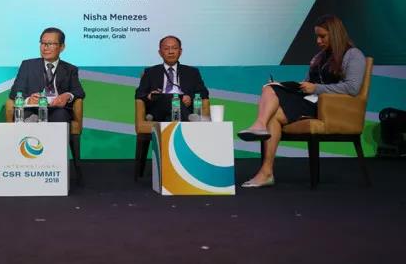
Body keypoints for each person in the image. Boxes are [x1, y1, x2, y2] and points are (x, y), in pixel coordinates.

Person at [237, 15, 366, 187]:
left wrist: (317, 88)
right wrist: (293, 86)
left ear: (335, 34)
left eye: (322, 36)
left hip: (329, 108)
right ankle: (266, 172)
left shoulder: (353, 55)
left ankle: (259, 126)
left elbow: (352, 88)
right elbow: (308, 84)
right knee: (271, 95)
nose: (318, 41)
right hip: (310, 101)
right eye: (317, 37)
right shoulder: (320, 57)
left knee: (270, 93)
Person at [9, 27, 85, 122]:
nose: (45, 48)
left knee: (61, 115)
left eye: (50, 44)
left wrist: (67, 95)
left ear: (62, 47)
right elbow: (15, 91)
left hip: (57, 110)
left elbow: (79, 92)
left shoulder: (70, 69)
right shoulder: (27, 65)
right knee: (27, 117)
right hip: (33, 109)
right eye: (43, 43)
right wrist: (28, 100)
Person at [135, 35, 210, 121]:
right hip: (159, 111)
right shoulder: (150, 72)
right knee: (171, 98)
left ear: (180, 51)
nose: (171, 52)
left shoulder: (192, 72)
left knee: (175, 100)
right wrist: (149, 95)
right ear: (160, 52)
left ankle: (181, 119)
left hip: (183, 107)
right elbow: (139, 94)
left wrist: (190, 97)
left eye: (174, 48)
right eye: (166, 49)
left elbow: (204, 93)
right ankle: (187, 120)